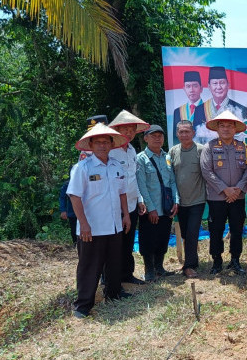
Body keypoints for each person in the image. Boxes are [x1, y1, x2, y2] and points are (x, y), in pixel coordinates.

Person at [67, 123, 131, 318]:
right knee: (89, 266)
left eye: (106, 142)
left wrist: (126, 215)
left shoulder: (116, 166)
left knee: (114, 263)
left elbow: (122, 193)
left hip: (114, 225)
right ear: (91, 145)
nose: (102, 146)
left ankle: (113, 293)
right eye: (98, 142)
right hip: (92, 228)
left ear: (112, 144)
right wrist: (84, 223)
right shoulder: (82, 168)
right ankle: (83, 305)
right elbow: (74, 196)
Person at [200, 110, 247, 276]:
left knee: (237, 229)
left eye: (230, 126)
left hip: (238, 197)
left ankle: (235, 260)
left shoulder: (243, 147)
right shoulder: (210, 147)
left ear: (235, 129)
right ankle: (217, 261)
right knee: (216, 229)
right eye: (222, 126)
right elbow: (206, 171)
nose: (226, 129)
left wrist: (237, 190)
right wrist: (225, 189)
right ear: (217, 129)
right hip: (217, 198)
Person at [108, 110, 149, 286]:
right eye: (125, 129)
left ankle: (127, 274)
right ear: (117, 130)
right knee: (113, 243)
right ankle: (110, 278)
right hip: (114, 205)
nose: (129, 133)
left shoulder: (132, 150)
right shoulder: (110, 151)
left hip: (131, 204)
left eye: (132, 130)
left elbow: (134, 178)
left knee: (128, 241)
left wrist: (140, 200)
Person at [136, 125, 179, 281]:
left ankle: (160, 268)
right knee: (148, 240)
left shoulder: (167, 157)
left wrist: (176, 201)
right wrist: (151, 209)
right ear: (145, 138)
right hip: (150, 209)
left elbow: (172, 181)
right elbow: (141, 186)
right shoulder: (141, 158)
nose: (157, 138)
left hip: (166, 208)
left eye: (160, 135)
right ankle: (149, 271)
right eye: (153, 135)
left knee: (163, 238)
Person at [169, 120, 207, 278]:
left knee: (192, 233)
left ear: (193, 133)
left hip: (197, 200)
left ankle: (189, 266)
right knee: (185, 234)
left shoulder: (201, 150)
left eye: (187, 131)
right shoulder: (172, 152)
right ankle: (192, 261)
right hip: (179, 202)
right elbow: (170, 177)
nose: (184, 135)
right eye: (181, 132)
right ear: (177, 134)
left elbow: (207, 173)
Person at [195, 66, 247, 144]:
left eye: (222, 83)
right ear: (209, 86)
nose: (218, 87)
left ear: (228, 85)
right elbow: (197, 137)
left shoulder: (241, 109)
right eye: (215, 83)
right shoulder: (199, 109)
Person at [172, 71, 206, 144]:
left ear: (201, 88)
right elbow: (175, 138)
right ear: (184, 89)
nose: (191, 90)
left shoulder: (208, 109)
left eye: (195, 86)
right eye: (188, 86)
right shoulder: (178, 111)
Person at [59, 176, 77, 245]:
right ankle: (75, 244)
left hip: (87, 211)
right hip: (72, 211)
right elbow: (62, 198)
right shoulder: (68, 184)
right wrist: (63, 210)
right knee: (74, 229)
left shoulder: (86, 181)